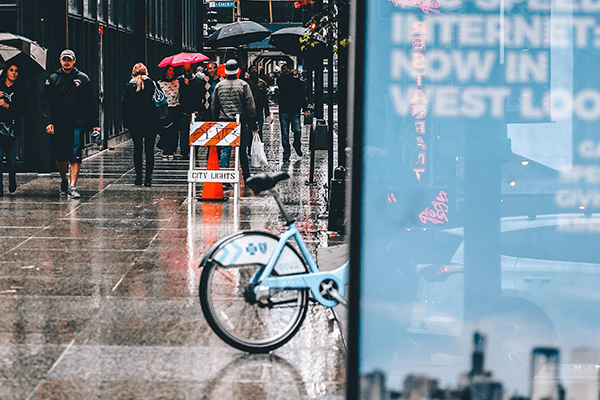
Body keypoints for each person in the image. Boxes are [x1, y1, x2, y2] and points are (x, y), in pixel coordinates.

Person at [42, 49, 100, 199]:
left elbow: (91, 102)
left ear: (74, 61)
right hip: (59, 123)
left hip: (76, 123)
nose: (67, 62)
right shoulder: (53, 78)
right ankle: (63, 180)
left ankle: (73, 186)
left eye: (69, 59)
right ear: (60, 61)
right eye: (64, 59)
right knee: (60, 157)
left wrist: (95, 124)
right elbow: (46, 102)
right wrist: (48, 121)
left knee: (75, 155)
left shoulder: (83, 79)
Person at [211, 59, 258, 183]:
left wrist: (215, 121)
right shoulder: (243, 85)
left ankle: (225, 177)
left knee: (225, 150)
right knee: (242, 150)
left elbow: (214, 106)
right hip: (240, 122)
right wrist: (253, 123)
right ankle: (246, 176)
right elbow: (250, 106)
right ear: (238, 71)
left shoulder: (219, 86)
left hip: (224, 121)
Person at [121, 63, 161, 187]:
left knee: (137, 150)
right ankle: (148, 178)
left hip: (135, 123)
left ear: (133, 73)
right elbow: (158, 102)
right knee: (149, 150)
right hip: (151, 123)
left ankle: (138, 177)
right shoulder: (152, 85)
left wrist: (126, 123)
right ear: (146, 72)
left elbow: (124, 106)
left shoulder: (129, 86)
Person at [0, 62, 26, 196]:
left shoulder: (20, 89)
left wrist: (6, 105)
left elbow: (22, 109)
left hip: (13, 128)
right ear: (6, 72)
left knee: (11, 161)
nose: (14, 73)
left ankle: (12, 180)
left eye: (16, 71)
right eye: (11, 70)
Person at [277, 62, 308, 162]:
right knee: (285, 134)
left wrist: (305, 108)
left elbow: (302, 94)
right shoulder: (281, 80)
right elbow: (284, 84)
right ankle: (286, 152)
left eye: (288, 68)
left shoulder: (296, 81)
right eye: (284, 69)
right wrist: (293, 76)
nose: (286, 70)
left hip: (295, 110)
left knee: (298, 130)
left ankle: (296, 144)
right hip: (284, 110)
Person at [177, 63, 206, 159]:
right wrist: (185, 85)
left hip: (195, 110)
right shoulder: (180, 80)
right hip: (183, 110)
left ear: (192, 69)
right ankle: (184, 151)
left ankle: (195, 151)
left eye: (188, 71)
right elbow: (180, 95)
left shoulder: (198, 81)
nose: (186, 73)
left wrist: (199, 108)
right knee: (184, 131)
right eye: (185, 71)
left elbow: (201, 94)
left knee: (196, 131)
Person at [157, 65, 180, 160]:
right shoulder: (159, 84)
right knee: (165, 130)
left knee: (174, 130)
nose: (171, 72)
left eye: (173, 70)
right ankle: (165, 149)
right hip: (164, 109)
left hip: (175, 108)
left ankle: (172, 150)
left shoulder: (177, 83)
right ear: (165, 72)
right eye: (169, 70)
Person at [247, 66, 270, 140]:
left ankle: (258, 147)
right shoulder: (246, 83)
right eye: (252, 69)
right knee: (248, 132)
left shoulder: (262, 83)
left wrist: (267, 111)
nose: (254, 71)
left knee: (259, 130)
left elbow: (265, 98)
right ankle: (250, 148)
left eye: (255, 69)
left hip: (259, 109)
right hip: (248, 110)